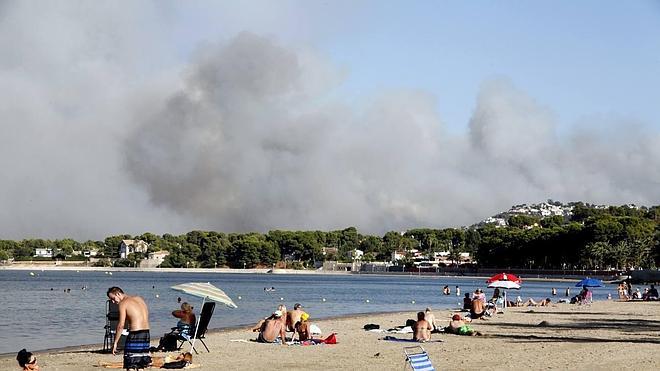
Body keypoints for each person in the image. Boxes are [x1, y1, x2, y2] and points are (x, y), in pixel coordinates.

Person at [107, 286, 151, 370]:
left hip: (135, 334)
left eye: (113, 298)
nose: (113, 301)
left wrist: (115, 342)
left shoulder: (123, 303)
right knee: (141, 364)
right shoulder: (139, 299)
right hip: (146, 333)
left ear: (118, 294)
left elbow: (121, 325)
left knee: (130, 364)